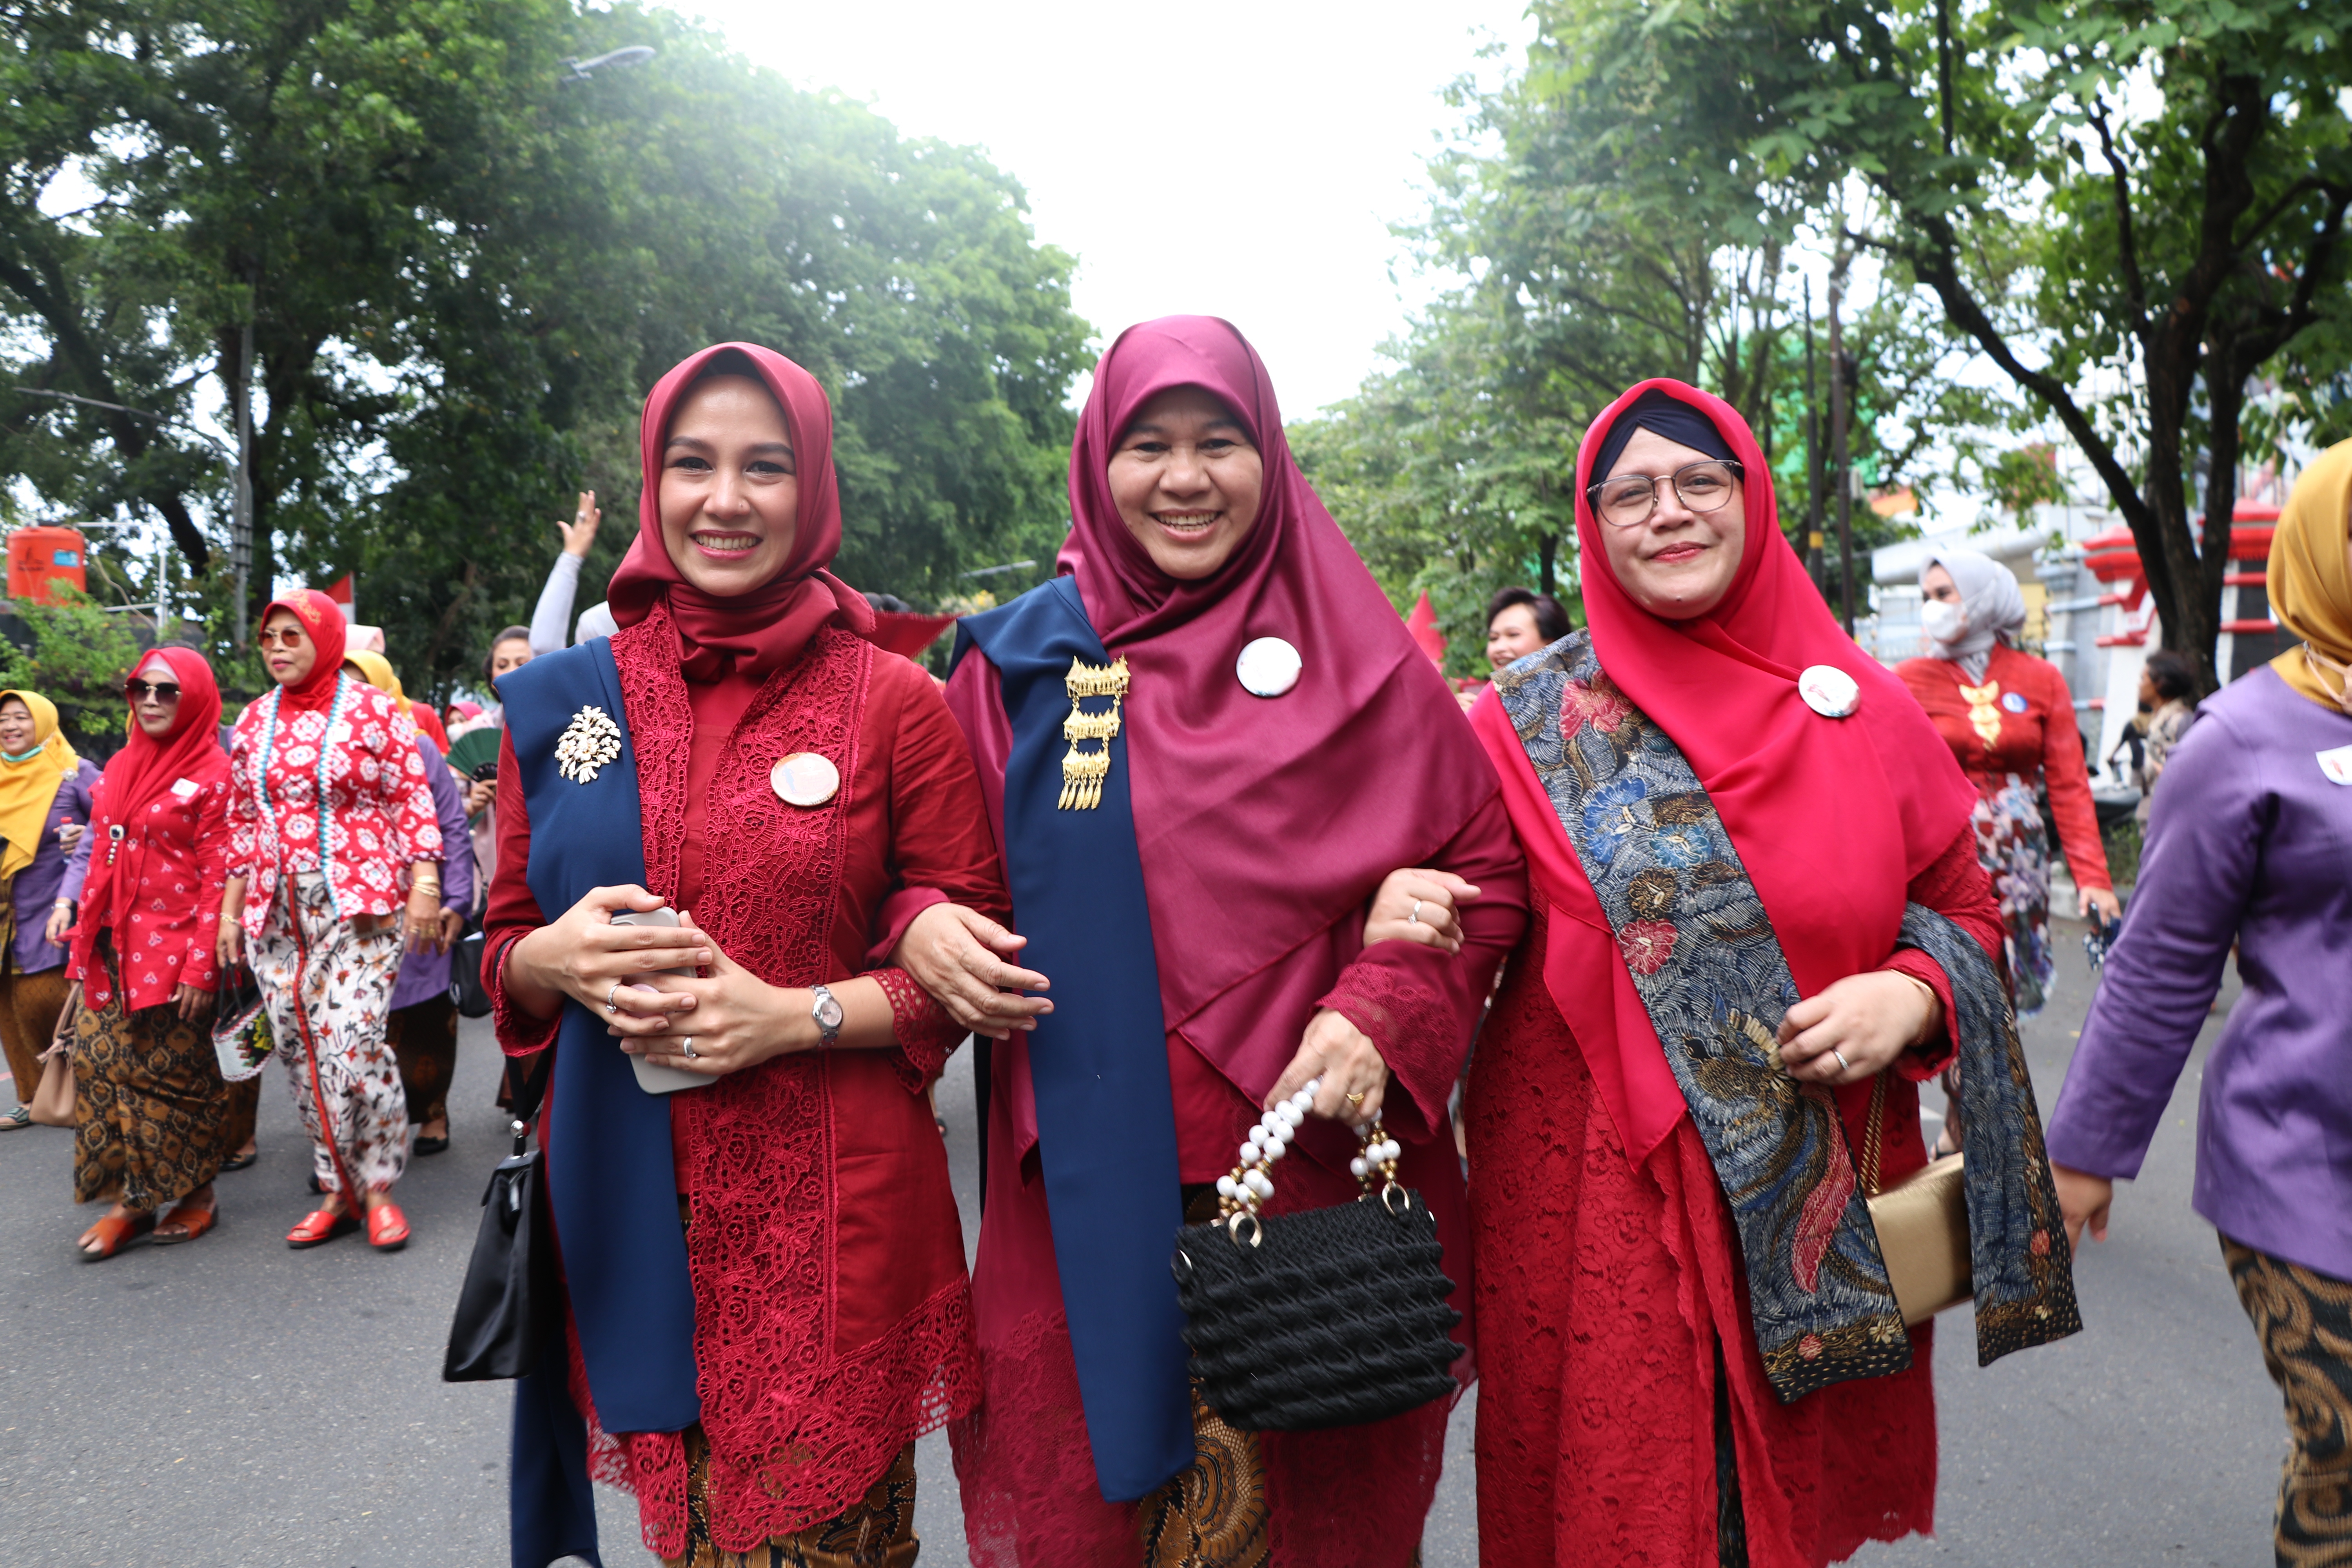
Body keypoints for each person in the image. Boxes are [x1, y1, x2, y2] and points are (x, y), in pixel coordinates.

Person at [936, 316, 1526, 1568]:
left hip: (1307, 1182)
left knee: (1316, 1528)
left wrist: (1379, 998)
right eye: (1149, 444)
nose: (1185, 476)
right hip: (1088, 1203)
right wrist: (920, 921)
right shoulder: (1019, 667)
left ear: (1271, 457)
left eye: (1220, 442)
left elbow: (1485, 869)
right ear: (1099, 459)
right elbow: (934, 870)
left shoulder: (1363, 658)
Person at [1463, 380, 2079, 1567]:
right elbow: (1466, 908)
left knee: (1766, 1521)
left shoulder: (1860, 705)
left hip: (1810, 1184)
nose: (1668, 512)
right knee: (1644, 1511)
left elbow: (1958, 907)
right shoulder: (1524, 725)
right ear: (1591, 524)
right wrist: (1400, 910)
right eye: (1630, 492)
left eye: (1699, 481)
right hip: (1617, 1206)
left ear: (1752, 499)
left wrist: (1909, 990)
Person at [485, 341, 1007, 1568]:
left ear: (812, 485)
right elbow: (502, 946)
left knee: (824, 1540)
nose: (725, 499)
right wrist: (547, 958)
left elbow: (960, 974)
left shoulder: (892, 701)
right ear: (652, 485)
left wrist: (792, 1016)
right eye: (692, 465)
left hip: (832, 1214)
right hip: (631, 1195)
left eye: (764, 467)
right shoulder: (567, 704)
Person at [2047, 439, 2352, 1568]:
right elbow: (2163, 964)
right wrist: (2085, 1151)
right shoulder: (2241, 742)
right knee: (2350, 1446)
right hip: (2303, 1167)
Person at [218, 590, 444, 1251]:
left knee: (353, 1041)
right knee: (300, 1052)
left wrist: (424, 885)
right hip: (276, 914)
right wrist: (231, 912)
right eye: (270, 638)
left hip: (360, 907)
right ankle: (336, 1188)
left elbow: (411, 797)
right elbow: (241, 823)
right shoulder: (253, 720)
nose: (279, 648)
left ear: (325, 638)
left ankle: (377, 1188)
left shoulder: (373, 711)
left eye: (293, 635)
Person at [62, 648, 232, 1258]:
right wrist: (79, 930)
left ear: (195, 699)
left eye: (167, 691)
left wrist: (201, 966)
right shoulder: (118, 767)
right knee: (103, 1070)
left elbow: (221, 874)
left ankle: (197, 1195)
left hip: (176, 954)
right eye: (141, 689)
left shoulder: (216, 773)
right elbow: (97, 854)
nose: (152, 700)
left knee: (175, 1078)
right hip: (110, 949)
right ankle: (131, 1200)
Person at [1898, 549, 2119, 1015]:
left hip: (2023, 865)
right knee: (1958, 987)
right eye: (1926, 596)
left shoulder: (2041, 678)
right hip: (1947, 862)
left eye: (1944, 593)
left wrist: (2093, 878)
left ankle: (1999, 1082)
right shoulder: (1908, 681)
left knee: (2007, 994)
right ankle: (1971, 1086)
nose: (1932, 605)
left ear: (1981, 598)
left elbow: (2069, 786)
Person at [344, 651, 474, 1158]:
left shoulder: (418, 748)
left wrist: (457, 899)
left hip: (421, 907)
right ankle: (369, 1125)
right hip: (354, 914)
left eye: (364, 686)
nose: (355, 698)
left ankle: (431, 1112)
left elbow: (452, 829)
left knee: (425, 1022)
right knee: (360, 1024)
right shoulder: (326, 752)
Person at [0, 688, 98, 1130]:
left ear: (42, 720)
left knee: (46, 996)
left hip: (52, 901)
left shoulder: (73, 772)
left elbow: (114, 818)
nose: (10, 726)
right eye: (3, 720)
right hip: (5, 906)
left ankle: (87, 1085)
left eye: (21, 717)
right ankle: (31, 1094)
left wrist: (85, 833)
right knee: (7, 1001)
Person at [345, 648, 450, 755]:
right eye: (343, 683)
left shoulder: (422, 714)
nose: (352, 690)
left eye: (362, 684)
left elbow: (441, 763)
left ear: (381, 682)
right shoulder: (332, 721)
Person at [2133, 649, 2197, 820]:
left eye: (2143, 679)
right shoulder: (2157, 722)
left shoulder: (2182, 722)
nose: (2139, 685)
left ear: (2160, 683)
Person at [1484, 585, 1571, 670]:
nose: (1499, 648)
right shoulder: (1491, 685)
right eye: (1494, 638)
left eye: (1513, 635)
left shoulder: (1580, 683)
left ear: (1551, 645)